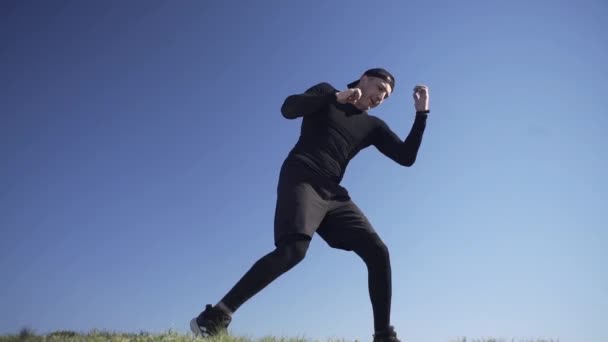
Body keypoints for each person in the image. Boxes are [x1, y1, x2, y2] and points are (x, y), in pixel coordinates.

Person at [190, 68, 430, 342]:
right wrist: (334, 98)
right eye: (379, 89)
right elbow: (289, 109)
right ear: (364, 79)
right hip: (302, 175)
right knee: (293, 250)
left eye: (386, 96)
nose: (381, 97)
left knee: (378, 252)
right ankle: (214, 317)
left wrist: (421, 115)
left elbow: (406, 157)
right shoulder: (327, 92)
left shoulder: (373, 126)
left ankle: (383, 336)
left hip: (333, 193)